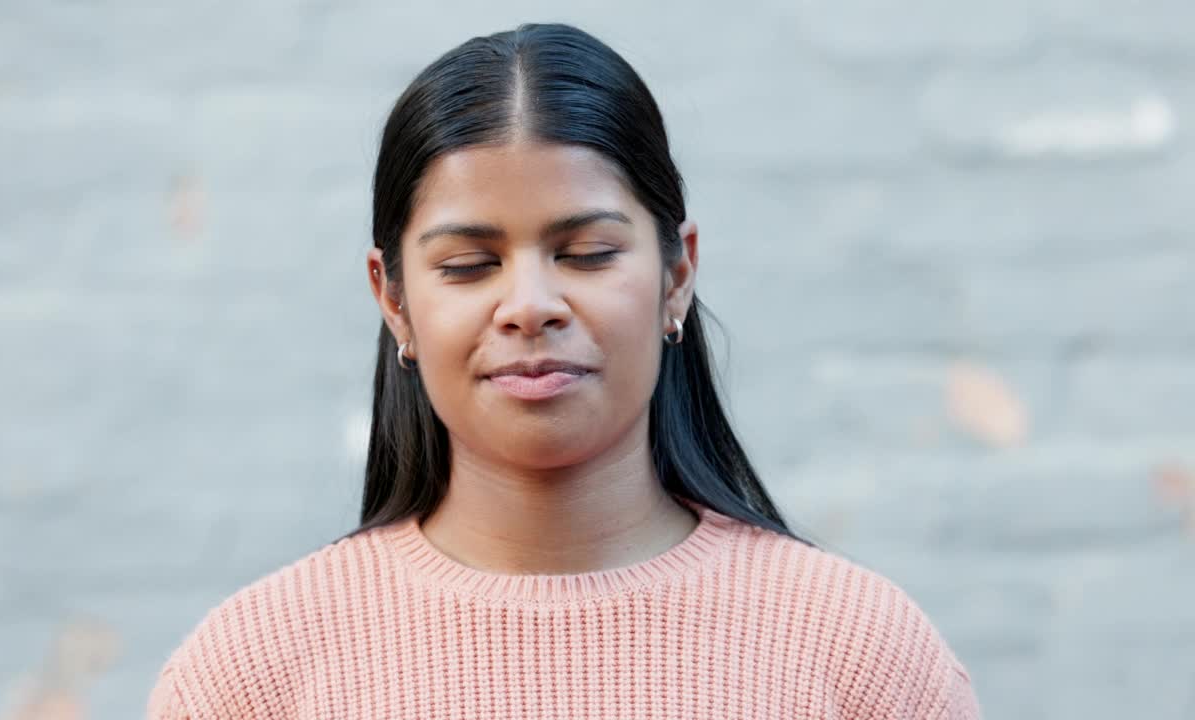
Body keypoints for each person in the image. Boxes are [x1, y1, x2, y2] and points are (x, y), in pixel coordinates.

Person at [146, 22, 982, 719]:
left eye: (586, 253)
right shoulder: (254, 674)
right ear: (392, 298)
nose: (530, 305)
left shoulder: (860, 654)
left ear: (677, 274)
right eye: (470, 265)